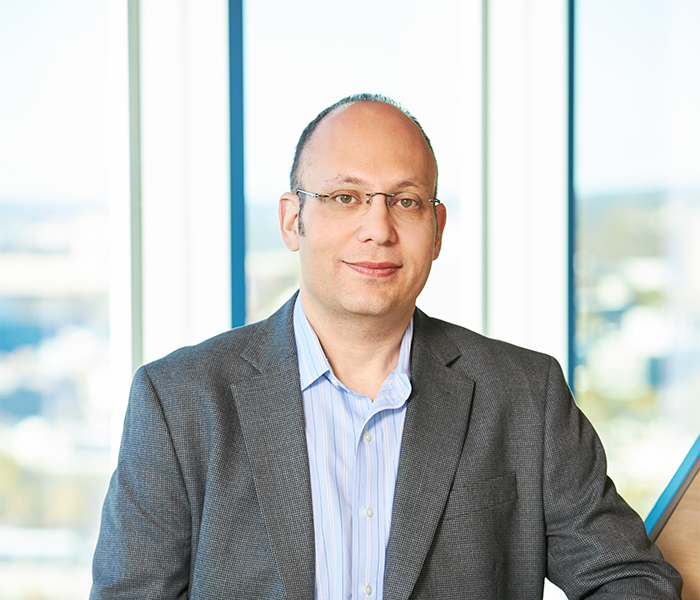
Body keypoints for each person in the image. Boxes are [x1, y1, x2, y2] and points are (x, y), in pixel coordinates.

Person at [90, 94, 682, 599]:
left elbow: (630, 580)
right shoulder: (179, 400)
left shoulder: (525, 395)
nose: (379, 229)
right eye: (345, 197)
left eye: (405, 201)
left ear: (438, 230)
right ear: (293, 220)